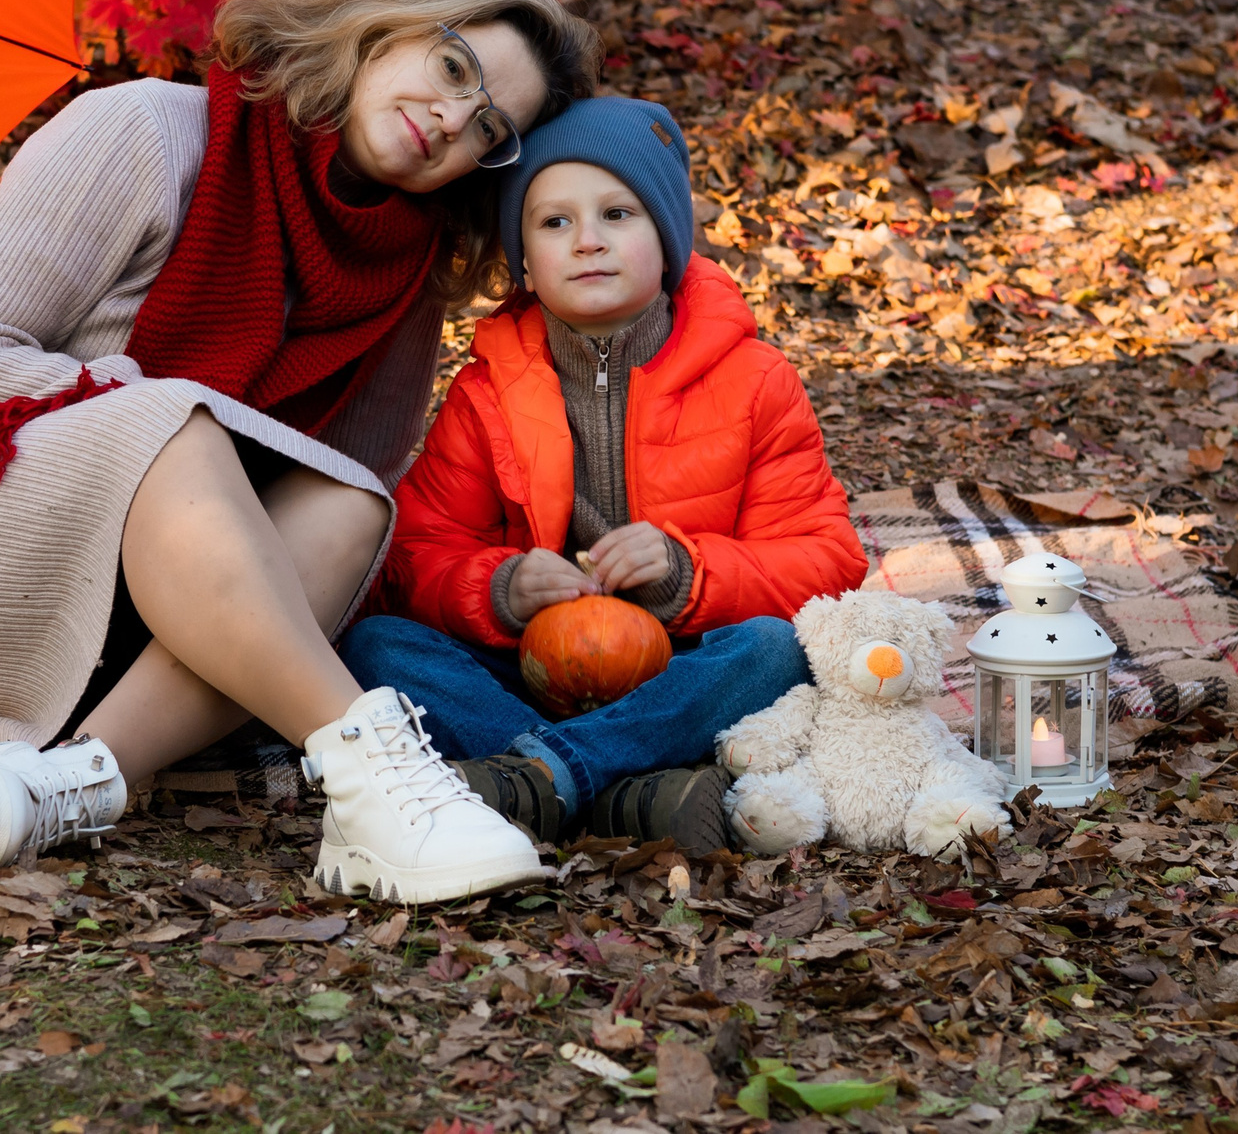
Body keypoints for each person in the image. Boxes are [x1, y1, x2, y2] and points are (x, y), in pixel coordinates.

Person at [0, 0, 600, 898]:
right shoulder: (144, 132)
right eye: (451, 69)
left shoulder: (403, 267)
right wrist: (154, 420)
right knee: (174, 418)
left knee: (351, 502)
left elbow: (341, 481)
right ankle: (383, 780)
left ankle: (62, 785)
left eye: (488, 127)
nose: (449, 120)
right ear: (388, 24)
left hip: (156, 638)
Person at [342, 96, 864, 855]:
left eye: (618, 214)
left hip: (689, 671)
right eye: (554, 222)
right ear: (522, 255)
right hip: (536, 669)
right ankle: (616, 787)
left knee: (774, 648)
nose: (587, 241)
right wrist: (501, 587)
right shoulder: (488, 392)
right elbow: (416, 551)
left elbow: (827, 561)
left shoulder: (754, 381)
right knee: (379, 644)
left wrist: (688, 572)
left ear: (667, 236)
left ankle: (540, 776)